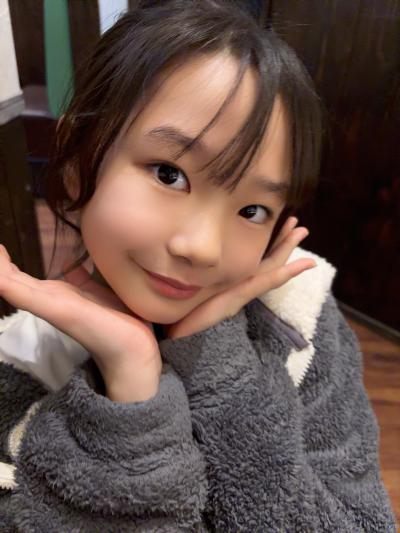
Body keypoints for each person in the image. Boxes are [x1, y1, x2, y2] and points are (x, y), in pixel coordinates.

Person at [0, 1, 397, 531]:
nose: (203, 248)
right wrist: (132, 388)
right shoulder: (22, 364)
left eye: (252, 210)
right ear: (78, 160)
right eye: (169, 174)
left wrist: (218, 367)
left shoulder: (301, 318)